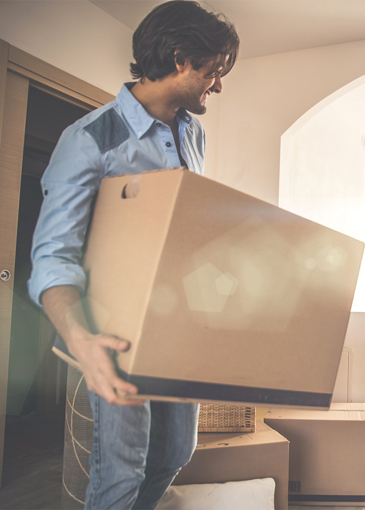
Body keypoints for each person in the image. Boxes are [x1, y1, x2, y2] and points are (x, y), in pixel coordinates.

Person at [27, 2, 240, 508]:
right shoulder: (89, 140)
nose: (219, 83)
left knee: (175, 452)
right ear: (180, 56)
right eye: (214, 70)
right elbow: (52, 255)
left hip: (176, 323)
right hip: (115, 328)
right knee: (122, 471)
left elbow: (183, 226)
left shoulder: (194, 133)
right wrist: (81, 340)